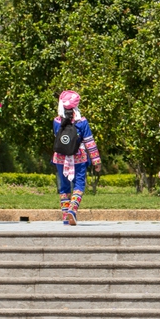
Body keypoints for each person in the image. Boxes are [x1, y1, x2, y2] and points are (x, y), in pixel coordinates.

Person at [51, 89, 102, 226]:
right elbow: (89, 142)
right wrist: (96, 161)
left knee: (64, 187)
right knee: (79, 184)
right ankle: (72, 210)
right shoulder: (82, 122)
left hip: (60, 158)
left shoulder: (56, 121)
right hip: (79, 157)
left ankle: (65, 214)